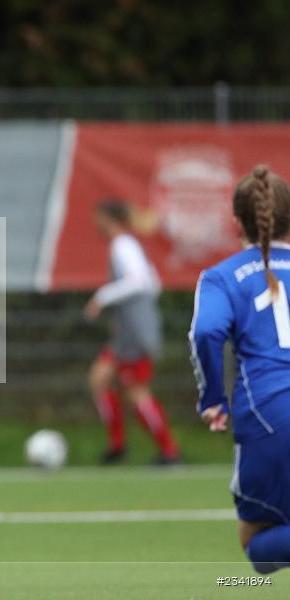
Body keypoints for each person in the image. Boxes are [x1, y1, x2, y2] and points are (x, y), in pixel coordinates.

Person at [190, 165, 290, 574]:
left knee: (256, 548)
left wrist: (214, 398)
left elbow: (207, 332)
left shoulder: (223, 276)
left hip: (270, 413)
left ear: (236, 222)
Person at [84, 200, 180, 465]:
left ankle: (169, 451)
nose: (96, 225)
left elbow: (138, 280)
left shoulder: (123, 245)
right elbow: (153, 281)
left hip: (136, 333)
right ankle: (118, 446)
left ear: (109, 219)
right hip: (128, 331)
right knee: (99, 379)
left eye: (98, 219)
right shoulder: (127, 245)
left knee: (137, 391)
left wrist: (102, 298)